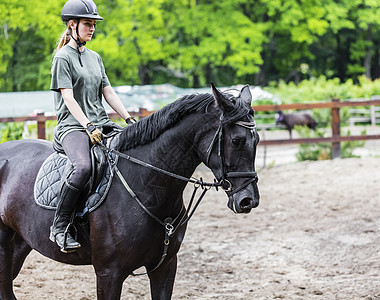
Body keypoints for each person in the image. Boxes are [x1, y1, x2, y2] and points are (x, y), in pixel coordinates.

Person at [50, 0, 136, 253]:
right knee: (83, 167)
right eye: (88, 24)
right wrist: (87, 125)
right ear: (72, 25)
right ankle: (60, 226)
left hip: (101, 123)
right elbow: (68, 97)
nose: (92, 29)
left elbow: (108, 92)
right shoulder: (62, 57)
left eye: (93, 24)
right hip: (72, 127)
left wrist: (129, 119)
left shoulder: (95, 57)